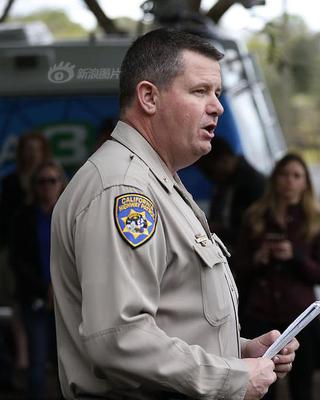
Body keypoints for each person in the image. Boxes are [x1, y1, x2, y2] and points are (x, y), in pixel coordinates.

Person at [50, 28, 298, 400]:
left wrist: (239, 352)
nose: (217, 106)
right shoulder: (123, 189)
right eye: (200, 91)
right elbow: (119, 338)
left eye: (217, 93)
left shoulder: (157, 179)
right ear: (148, 96)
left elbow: (172, 317)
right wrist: (230, 376)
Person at [234, 153, 320, 400]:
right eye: (284, 174)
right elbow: (238, 267)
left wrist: (295, 256)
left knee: (302, 387)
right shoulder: (255, 216)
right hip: (260, 313)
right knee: (261, 387)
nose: (289, 181)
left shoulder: (315, 219)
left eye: (296, 175)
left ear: (305, 183)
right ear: (275, 179)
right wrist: (260, 258)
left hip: (299, 316)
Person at [10, 159, 67, 399]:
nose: (47, 186)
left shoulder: (71, 214)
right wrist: (46, 289)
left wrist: (59, 288)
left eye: (52, 181)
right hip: (35, 299)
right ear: (34, 186)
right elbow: (17, 260)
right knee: (37, 364)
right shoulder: (23, 217)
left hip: (68, 300)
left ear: (61, 184)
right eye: (41, 181)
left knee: (67, 365)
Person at [195, 136, 267, 250]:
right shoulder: (226, 182)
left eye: (209, 170)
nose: (208, 177)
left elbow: (255, 231)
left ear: (224, 161)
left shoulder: (253, 184)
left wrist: (220, 230)